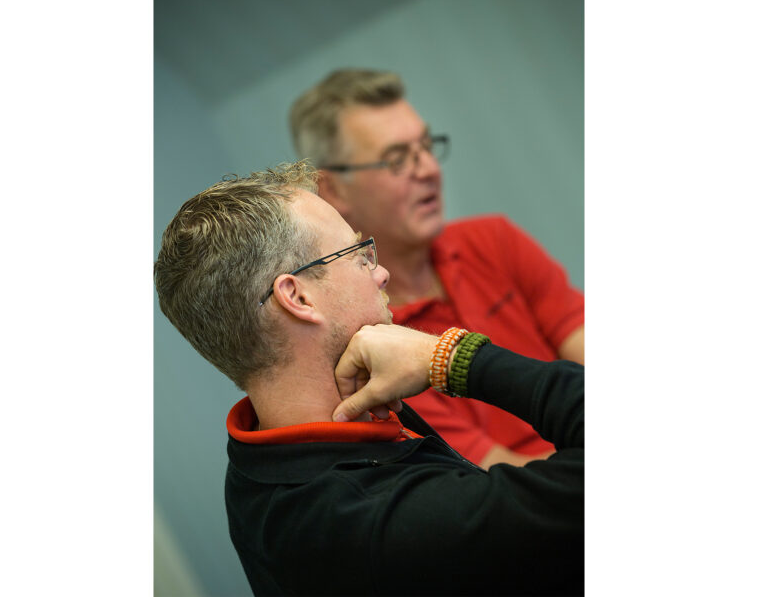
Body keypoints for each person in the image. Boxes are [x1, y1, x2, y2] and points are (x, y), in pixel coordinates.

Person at [154, 161, 583, 596]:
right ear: (298, 297)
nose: (381, 272)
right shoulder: (381, 520)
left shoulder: (261, 460)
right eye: (358, 256)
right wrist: (450, 358)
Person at [289, 69, 585, 468]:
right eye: (398, 159)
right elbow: (498, 477)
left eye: (427, 147)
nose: (429, 168)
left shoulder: (494, 240)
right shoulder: (366, 337)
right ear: (334, 189)